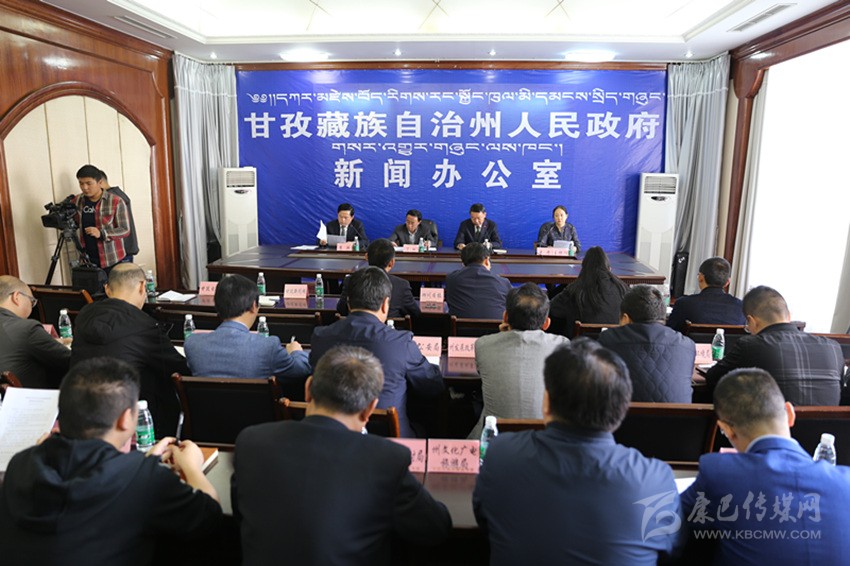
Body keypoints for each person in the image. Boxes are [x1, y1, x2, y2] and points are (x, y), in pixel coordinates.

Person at [233, 345, 452, 566]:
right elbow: (436, 527)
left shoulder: (251, 443)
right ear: (370, 409)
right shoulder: (386, 459)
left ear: (308, 389)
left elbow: (240, 513)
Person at [473, 339, 681, 564]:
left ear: (546, 402)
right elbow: (671, 550)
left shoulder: (501, 455)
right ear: (622, 409)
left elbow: (485, 522)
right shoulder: (657, 480)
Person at [0, 357, 223, 565]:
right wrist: (191, 466)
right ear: (126, 419)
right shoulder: (144, 480)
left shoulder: (20, 464)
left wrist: (142, 465)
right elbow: (209, 516)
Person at [681, 368, 850, 564]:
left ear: (726, 430)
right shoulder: (845, 481)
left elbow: (668, 524)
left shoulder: (720, 472)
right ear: (790, 413)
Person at [310, 267, 444, 437]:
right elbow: (432, 386)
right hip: (391, 439)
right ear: (385, 304)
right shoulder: (401, 342)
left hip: (333, 437)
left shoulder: (320, 336)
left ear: (349, 303)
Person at [71, 263, 189, 437]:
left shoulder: (84, 315)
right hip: (132, 418)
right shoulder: (145, 325)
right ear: (142, 286)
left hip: (82, 410)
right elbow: (177, 368)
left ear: (107, 289)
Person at [705, 285, 843, 405]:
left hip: (770, 426)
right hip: (825, 428)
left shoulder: (751, 345)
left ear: (751, 321)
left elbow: (713, 379)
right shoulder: (833, 347)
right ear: (789, 316)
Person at [469, 283, 569, 438]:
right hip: (545, 440)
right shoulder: (562, 345)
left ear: (505, 317)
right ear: (546, 323)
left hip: (492, 440)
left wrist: (502, 335)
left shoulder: (482, 344)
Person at [184, 274, 311, 387]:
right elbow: (300, 369)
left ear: (216, 305)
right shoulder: (268, 347)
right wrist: (296, 352)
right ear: (254, 306)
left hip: (207, 407)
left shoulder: (193, 344)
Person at [598, 285, 696, 403]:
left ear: (625, 318)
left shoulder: (608, 340)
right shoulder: (687, 345)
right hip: (677, 415)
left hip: (622, 415)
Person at [0, 275, 70, 388]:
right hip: (25, 397)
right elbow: (70, 360)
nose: (32, 307)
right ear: (16, 297)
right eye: (32, 301)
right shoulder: (27, 328)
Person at [548, 246, 628, 337]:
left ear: (583, 268)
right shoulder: (623, 289)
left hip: (579, 344)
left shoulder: (573, 289)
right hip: (615, 343)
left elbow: (551, 309)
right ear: (609, 269)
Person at [337, 238, 420, 318]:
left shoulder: (350, 280)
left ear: (366, 257)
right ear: (392, 262)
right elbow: (416, 314)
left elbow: (341, 310)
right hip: (391, 327)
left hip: (355, 327)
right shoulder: (401, 285)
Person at [72, 164, 132, 272]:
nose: (84, 187)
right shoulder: (78, 200)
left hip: (111, 259)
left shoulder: (116, 201)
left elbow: (125, 229)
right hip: (87, 260)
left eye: (89, 183)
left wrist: (102, 233)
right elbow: (74, 222)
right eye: (81, 183)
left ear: (100, 183)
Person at [667, 256, 746, 332]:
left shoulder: (683, 304)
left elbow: (670, 333)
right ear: (727, 282)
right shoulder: (742, 307)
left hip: (694, 342)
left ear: (700, 278)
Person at [445, 242, 513, 319]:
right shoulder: (503, 283)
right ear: (486, 260)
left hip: (459, 326)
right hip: (495, 326)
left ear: (463, 263)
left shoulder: (451, 279)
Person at [99, 169, 140, 259]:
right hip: (128, 247)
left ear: (100, 182)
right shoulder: (118, 193)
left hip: (121, 251)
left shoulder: (111, 198)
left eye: (89, 184)